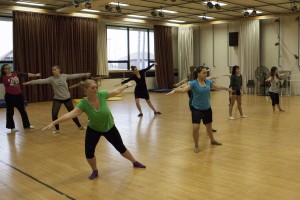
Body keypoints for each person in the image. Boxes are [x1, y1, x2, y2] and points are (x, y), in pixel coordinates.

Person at [42, 79, 146, 180]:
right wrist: (54, 122)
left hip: (109, 127)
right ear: (86, 90)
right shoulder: (83, 104)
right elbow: (70, 114)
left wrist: (127, 85)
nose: (95, 89)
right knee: (89, 153)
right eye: (92, 88)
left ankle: (134, 162)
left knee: (121, 148)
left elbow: (116, 91)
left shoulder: (102, 95)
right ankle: (95, 170)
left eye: (96, 87)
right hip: (93, 129)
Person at [167, 67, 231, 153]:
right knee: (195, 127)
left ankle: (212, 140)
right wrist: (175, 90)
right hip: (196, 108)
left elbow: (216, 87)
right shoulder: (193, 83)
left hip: (207, 108)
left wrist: (226, 88)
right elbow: (183, 89)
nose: (206, 74)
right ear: (198, 74)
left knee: (209, 126)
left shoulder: (207, 82)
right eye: (204, 73)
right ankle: (196, 145)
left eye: (206, 73)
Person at [23, 65, 89, 133]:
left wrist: (85, 74)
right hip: (57, 99)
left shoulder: (64, 76)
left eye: (54, 69)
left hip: (67, 98)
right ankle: (57, 129)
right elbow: (41, 81)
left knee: (72, 113)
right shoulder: (51, 79)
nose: (53, 71)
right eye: (52, 70)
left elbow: (75, 75)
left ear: (59, 70)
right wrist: (29, 83)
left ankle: (79, 126)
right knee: (54, 114)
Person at [174, 66, 218, 132]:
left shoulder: (200, 79)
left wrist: (213, 77)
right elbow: (184, 83)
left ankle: (209, 128)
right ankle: (197, 127)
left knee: (205, 116)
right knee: (196, 115)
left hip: (199, 100)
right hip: (193, 101)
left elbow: (207, 78)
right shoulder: (190, 79)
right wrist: (178, 85)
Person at [0, 63, 40, 132]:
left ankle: (27, 125)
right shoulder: (2, 77)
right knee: (10, 112)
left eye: (9, 67)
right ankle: (12, 127)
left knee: (23, 111)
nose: (8, 69)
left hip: (18, 96)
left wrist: (35, 75)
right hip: (9, 96)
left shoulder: (15, 73)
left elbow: (26, 74)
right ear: (4, 70)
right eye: (6, 68)